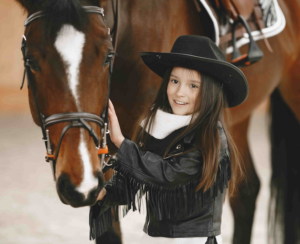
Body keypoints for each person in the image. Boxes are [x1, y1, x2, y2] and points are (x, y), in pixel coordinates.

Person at [90, 35, 248, 244]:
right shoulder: (154, 125)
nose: (180, 92)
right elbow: (136, 178)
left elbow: (168, 174)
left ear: (209, 92)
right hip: (159, 236)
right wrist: (105, 193)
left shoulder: (210, 136)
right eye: (174, 81)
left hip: (196, 239)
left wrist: (121, 142)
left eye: (193, 86)